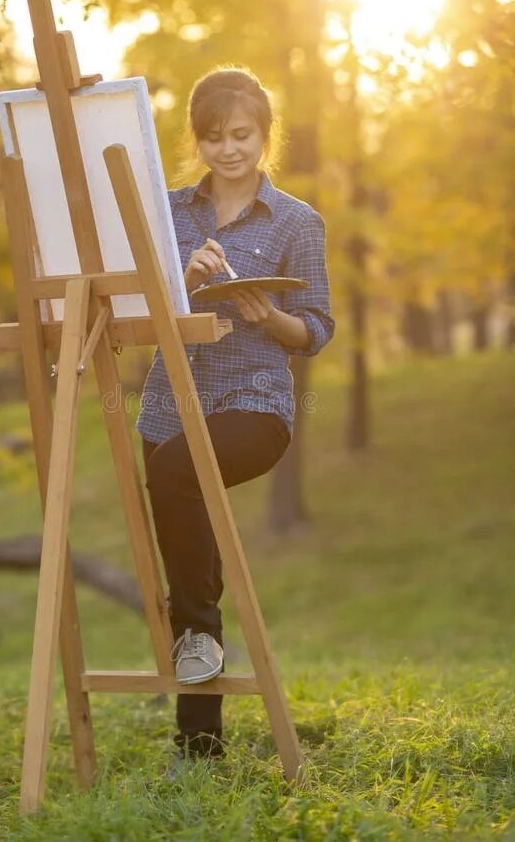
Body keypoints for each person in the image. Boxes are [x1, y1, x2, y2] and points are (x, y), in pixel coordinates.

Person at [136, 67, 335, 761]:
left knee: (176, 471)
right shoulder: (163, 213)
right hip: (169, 403)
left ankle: (196, 635)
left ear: (265, 134)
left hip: (255, 402)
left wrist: (271, 316)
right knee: (190, 551)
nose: (228, 150)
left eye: (242, 135)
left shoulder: (297, 222)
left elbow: (316, 329)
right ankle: (199, 744)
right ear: (199, 140)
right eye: (214, 137)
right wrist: (178, 283)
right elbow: (131, 314)